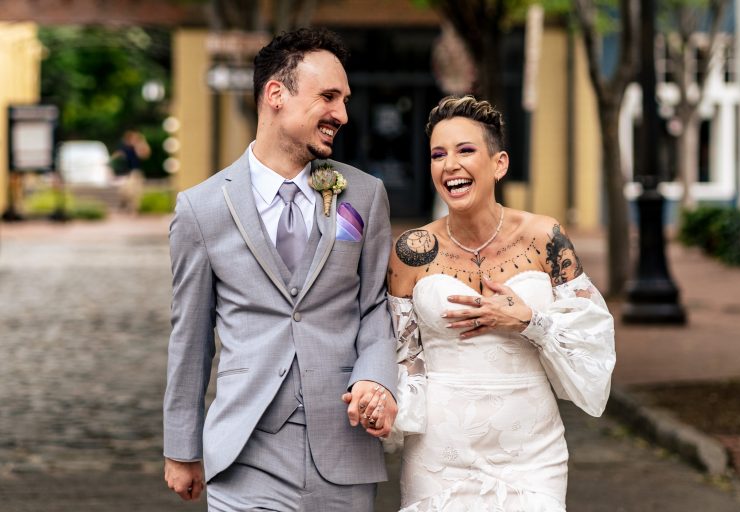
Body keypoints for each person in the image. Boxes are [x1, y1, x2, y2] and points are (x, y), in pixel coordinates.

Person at [163, 27, 398, 511]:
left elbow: (375, 303)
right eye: (328, 97)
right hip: (246, 451)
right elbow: (190, 334)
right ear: (276, 94)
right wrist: (181, 446)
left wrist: (376, 377)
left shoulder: (364, 194)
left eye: (345, 100)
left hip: (342, 447)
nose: (342, 114)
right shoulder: (201, 208)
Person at [386, 95, 616, 511]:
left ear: (499, 163)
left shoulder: (545, 238)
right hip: (441, 449)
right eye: (438, 155)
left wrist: (529, 321)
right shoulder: (411, 250)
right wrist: (386, 409)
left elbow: (591, 337)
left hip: (531, 449)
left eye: (465, 151)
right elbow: (401, 352)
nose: (449, 165)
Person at [111, 129, 150, 212]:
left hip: (135, 173)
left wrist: (141, 141)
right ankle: (126, 205)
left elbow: (145, 154)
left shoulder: (137, 148)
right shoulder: (124, 148)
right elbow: (116, 156)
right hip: (126, 173)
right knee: (124, 191)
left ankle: (134, 209)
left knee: (135, 193)